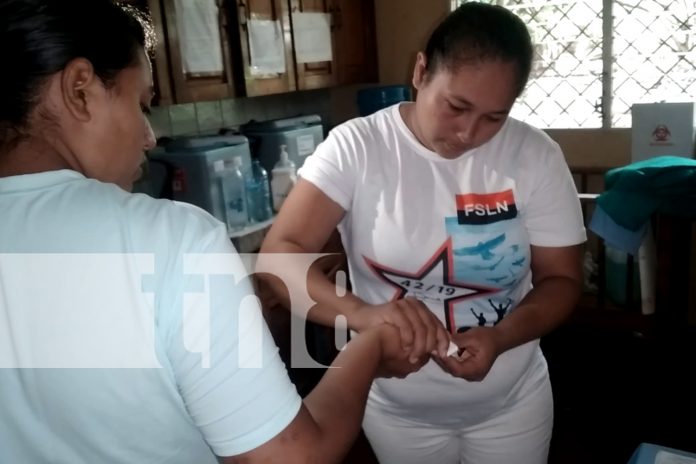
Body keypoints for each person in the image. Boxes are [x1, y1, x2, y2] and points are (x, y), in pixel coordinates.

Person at [0, 1, 425, 463]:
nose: (148, 136)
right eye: (141, 104)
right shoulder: (172, 241)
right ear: (80, 89)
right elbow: (288, 457)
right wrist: (370, 346)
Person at [260, 2, 587, 463]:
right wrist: (362, 316)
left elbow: (562, 279)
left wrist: (501, 337)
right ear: (420, 71)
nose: (469, 133)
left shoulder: (535, 155)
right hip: (396, 409)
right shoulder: (358, 147)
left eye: (495, 117)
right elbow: (279, 257)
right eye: (457, 106)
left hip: (512, 404)